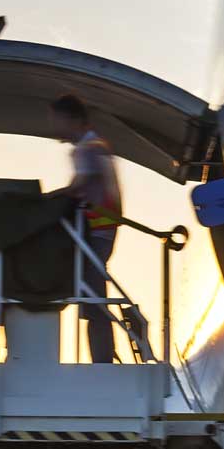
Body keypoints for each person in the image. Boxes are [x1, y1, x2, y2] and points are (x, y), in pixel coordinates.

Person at [49, 94, 146, 362]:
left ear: (73, 119)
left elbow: (79, 185)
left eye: (57, 120)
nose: (53, 127)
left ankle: (103, 360)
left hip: (95, 230)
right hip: (103, 230)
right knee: (92, 296)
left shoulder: (87, 148)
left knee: (93, 298)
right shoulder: (98, 145)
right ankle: (105, 356)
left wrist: (46, 199)